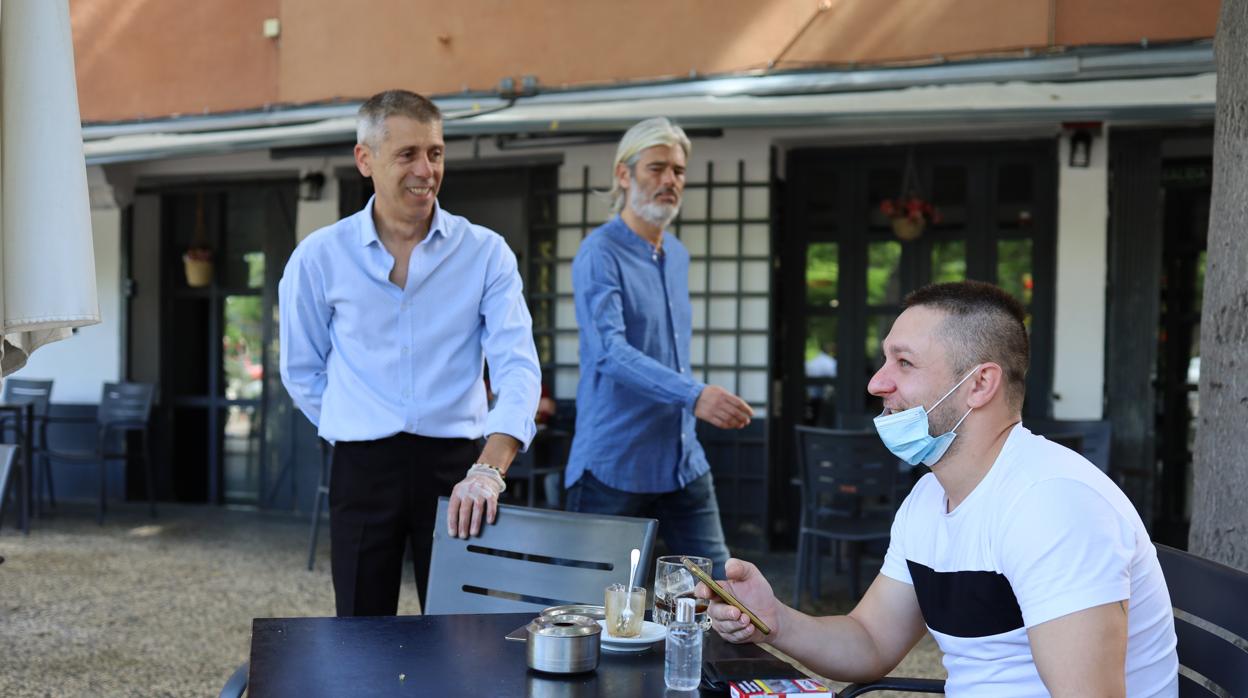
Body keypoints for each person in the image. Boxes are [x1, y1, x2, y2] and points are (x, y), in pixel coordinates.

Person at [701, 281, 1178, 696]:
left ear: (979, 385)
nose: (876, 382)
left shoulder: (1053, 504)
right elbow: (869, 641)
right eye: (885, 359)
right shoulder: (930, 498)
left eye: (903, 362)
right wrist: (774, 620)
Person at [279, 89, 540, 617]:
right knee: (360, 633)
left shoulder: (486, 253)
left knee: (464, 635)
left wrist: (490, 469)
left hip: (460, 470)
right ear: (364, 160)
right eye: (407, 154)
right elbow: (301, 369)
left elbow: (517, 366)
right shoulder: (319, 257)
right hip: (361, 466)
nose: (426, 170)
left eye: (436, 153)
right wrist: (353, 419)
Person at [563, 117, 754, 578]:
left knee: (718, 593)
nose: (670, 180)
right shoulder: (599, 252)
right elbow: (609, 351)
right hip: (615, 462)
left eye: (678, 171)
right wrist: (695, 395)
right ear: (624, 175)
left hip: (682, 460)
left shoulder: (677, 254)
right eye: (656, 168)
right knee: (599, 612)